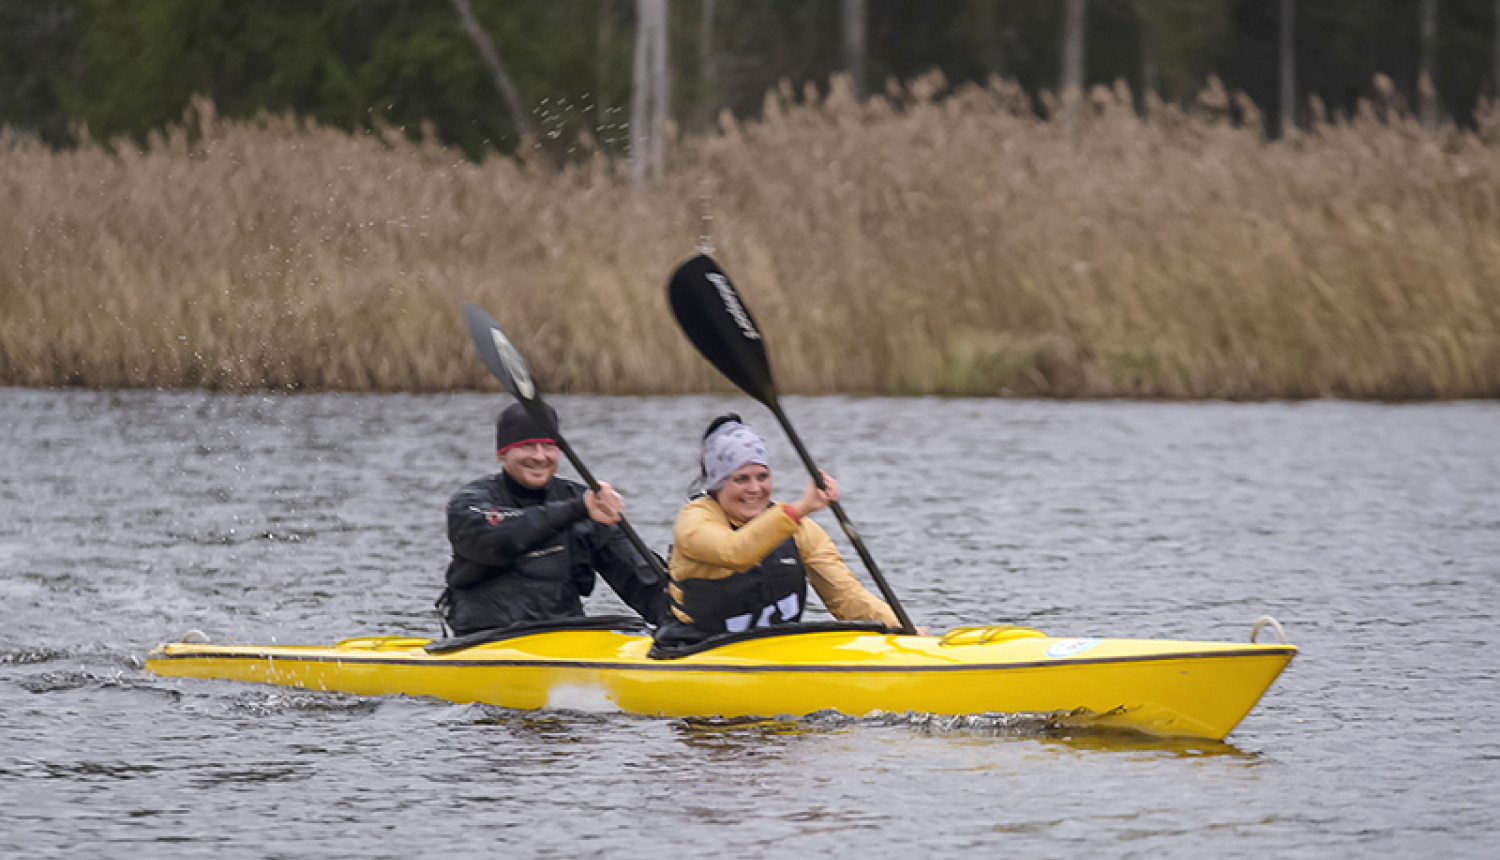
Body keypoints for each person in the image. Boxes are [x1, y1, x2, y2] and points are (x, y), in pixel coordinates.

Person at [660, 414, 902, 642]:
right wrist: (801, 508)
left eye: (762, 476)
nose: (755, 489)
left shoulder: (800, 529)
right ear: (717, 485)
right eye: (741, 479)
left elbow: (845, 596)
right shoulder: (694, 521)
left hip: (774, 653)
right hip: (694, 650)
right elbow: (734, 551)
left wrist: (898, 628)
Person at [437, 402, 670, 635]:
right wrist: (577, 508)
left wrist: (686, 623)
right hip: (486, 640)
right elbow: (501, 536)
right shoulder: (469, 504)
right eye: (527, 446)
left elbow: (641, 580)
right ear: (502, 453)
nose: (539, 457)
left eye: (548, 446)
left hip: (563, 638)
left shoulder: (585, 503)